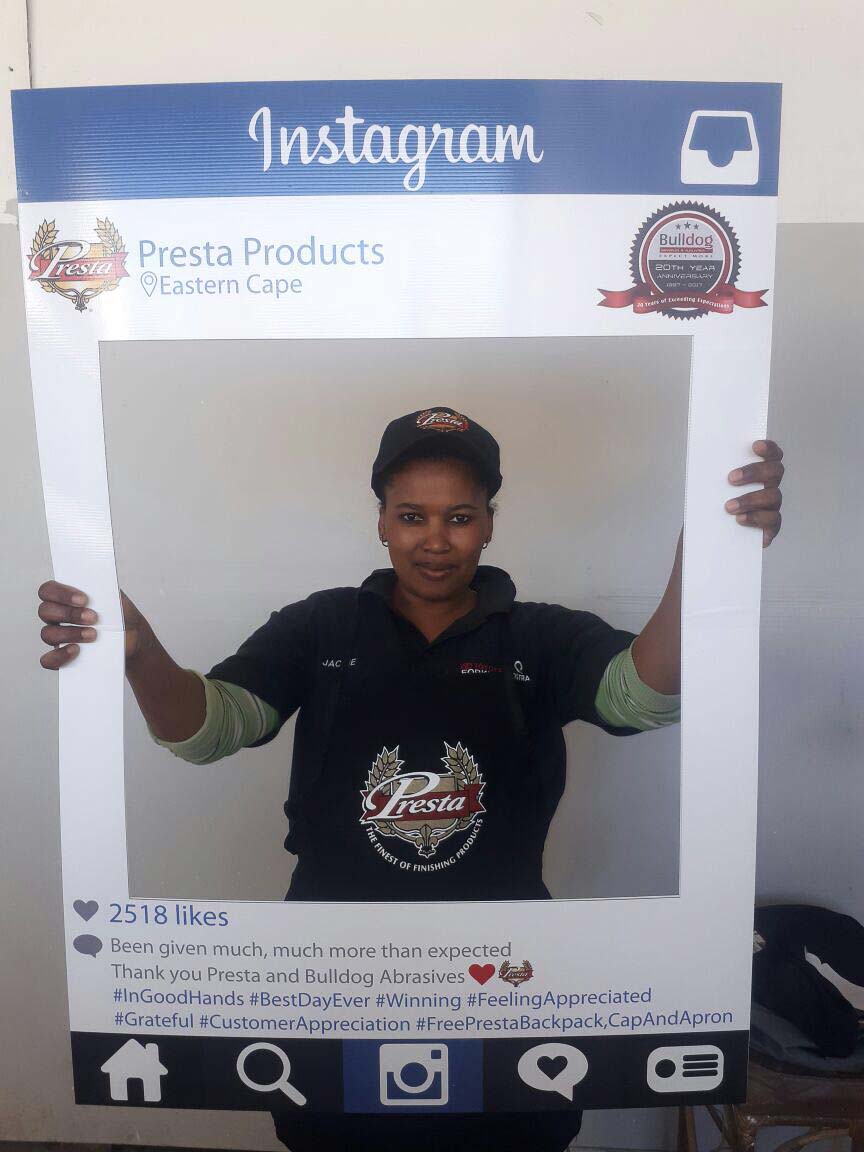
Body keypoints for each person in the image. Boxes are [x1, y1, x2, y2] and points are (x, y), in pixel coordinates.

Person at [37, 407, 784, 1150]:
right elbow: (207, 731)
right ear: (381, 523)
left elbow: (641, 697)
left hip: (504, 969)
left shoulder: (542, 635)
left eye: (459, 517)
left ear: (488, 524)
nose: (435, 540)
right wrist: (139, 653)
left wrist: (706, 559)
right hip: (334, 970)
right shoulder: (320, 627)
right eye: (411, 516)